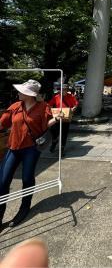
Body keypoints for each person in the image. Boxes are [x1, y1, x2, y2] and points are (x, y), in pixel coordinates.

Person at [0, 79, 61, 231]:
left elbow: (43, 126)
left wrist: (56, 119)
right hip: (13, 147)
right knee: (2, 182)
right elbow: (2, 124)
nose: (18, 93)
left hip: (31, 149)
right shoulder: (15, 107)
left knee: (27, 179)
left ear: (29, 94)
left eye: (21, 91)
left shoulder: (43, 107)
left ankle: (24, 208)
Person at [48, 84, 78, 156]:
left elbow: (75, 104)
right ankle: (54, 142)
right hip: (57, 117)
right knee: (54, 132)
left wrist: (73, 109)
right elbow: (50, 104)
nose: (63, 91)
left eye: (64, 89)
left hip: (66, 118)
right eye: (61, 90)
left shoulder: (71, 97)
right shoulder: (56, 97)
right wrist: (51, 109)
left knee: (64, 134)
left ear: (67, 90)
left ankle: (61, 149)